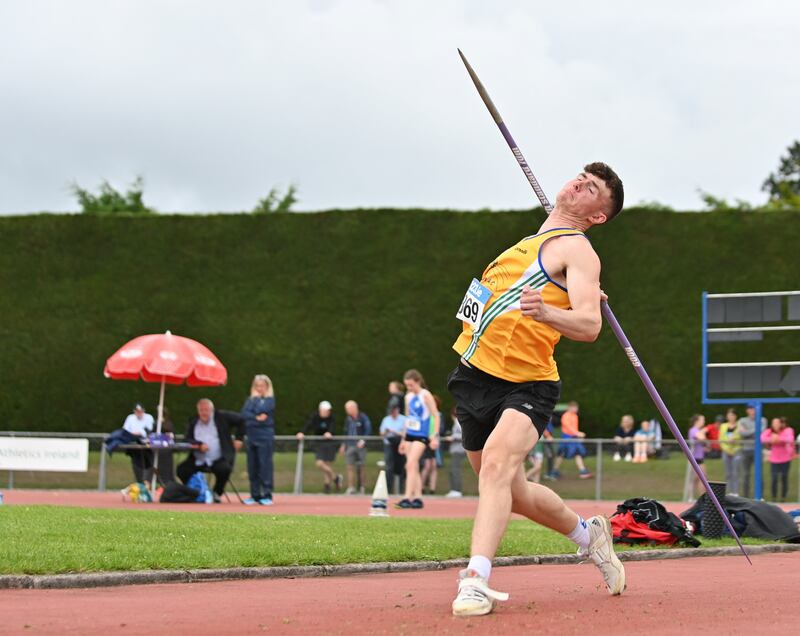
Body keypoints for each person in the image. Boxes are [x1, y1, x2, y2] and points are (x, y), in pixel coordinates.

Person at [447, 163, 626, 615]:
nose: (578, 184)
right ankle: (591, 536)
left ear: (598, 216)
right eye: (580, 177)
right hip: (474, 376)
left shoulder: (580, 252)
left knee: (495, 467)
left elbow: (589, 324)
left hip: (528, 383)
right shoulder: (528, 244)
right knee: (516, 491)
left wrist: (548, 313)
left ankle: (476, 579)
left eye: (592, 189)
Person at [177, 398, 245, 503]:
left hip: (218, 459)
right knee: (181, 469)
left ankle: (216, 493)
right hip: (199, 459)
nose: (204, 413)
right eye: (201, 410)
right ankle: (196, 491)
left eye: (206, 410)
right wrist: (199, 445)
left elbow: (241, 420)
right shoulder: (194, 421)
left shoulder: (222, 417)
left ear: (212, 410)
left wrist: (239, 439)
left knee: (225, 469)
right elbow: (187, 439)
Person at [395, 369, 440, 509]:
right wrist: (403, 439)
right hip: (410, 434)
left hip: (422, 434)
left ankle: (407, 497)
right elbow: (408, 418)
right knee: (411, 466)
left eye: (411, 385)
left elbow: (435, 415)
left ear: (418, 382)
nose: (409, 388)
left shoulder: (425, 395)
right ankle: (418, 498)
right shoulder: (407, 397)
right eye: (407, 386)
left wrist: (435, 435)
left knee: (410, 463)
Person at [241, 374, 276, 505]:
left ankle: (267, 494)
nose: (259, 388)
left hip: (265, 436)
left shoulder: (270, 400)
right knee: (252, 466)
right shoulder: (251, 399)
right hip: (251, 436)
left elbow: (264, 410)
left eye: (262, 386)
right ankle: (254, 495)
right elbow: (244, 414)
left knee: (265, 466)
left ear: (267, 387)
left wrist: (254, 413)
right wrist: (256, 417)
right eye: (257, 386)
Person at [297, 401, 342, 494]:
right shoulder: (315, 417)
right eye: (325, 411)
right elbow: (308, 425)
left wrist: (329, 432)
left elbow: (332, 427)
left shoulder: (332, 418)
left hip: (329, 443)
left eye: (328, 411)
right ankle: (336, 477)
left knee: (328, 464)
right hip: (319, 443)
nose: (327, 412)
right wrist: (302, 432)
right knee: (320, 463)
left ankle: (327, 485)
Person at [551, 401, 592, 479]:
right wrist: (577, 433)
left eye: (577, 407)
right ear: (570, 408)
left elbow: (574, 427)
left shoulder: (575, 416)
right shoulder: (565, 416)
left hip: (573, 438)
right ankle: (554, 471)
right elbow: (568, 427)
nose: (576, 409)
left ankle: (582, 471)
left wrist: (577, 434)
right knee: (561, 454)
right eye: (575, 407)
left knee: (577, 453)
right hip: (567, 437)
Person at [760, 416, 795, 502]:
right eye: (774, 423)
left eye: (777, 423)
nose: (775, 425)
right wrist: (772, 439)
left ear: (780, 423)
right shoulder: (769, 431)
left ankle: (783, 497)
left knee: (784, 477)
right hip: (774, 459)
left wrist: (778, 438)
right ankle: (774, 497)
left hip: (785, 459)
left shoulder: (787, 430)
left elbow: (790, 438)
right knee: (774, 478)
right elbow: (762, 438)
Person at [340, 400, 372, 494]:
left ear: (354, 408)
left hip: (360, 446)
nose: (347, 411)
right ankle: (351, 487)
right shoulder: (348, 419)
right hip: (350, 445)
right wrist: (343, 444)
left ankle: (362, 487)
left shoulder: (363, 417)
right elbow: (345, 432)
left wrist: (363, 441)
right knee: (350, 466)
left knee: (361, 466)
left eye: (348, 408)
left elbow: (368, 429)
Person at [737, 404, 767, 498]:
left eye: (753, 408)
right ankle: (745, 496)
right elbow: (742, 433)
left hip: (758, 450)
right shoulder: (742, 420)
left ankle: (760, 497)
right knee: (745, 474)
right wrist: (754, 431)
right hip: (746, 450)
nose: (752, 410)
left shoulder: (762, 420)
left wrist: (748, 431)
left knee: (759, 474)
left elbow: (761, 432)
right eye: (750, 408)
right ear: (747, 410)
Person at [122, 403, 155, 483]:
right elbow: (125, 430)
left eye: (140, 411)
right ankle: (140, 481)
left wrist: (141, 433)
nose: (139, 413)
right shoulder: (130, 418)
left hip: (146, 446)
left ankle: (147, 481)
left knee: (149, 463)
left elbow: (150, 430)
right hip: (134, 445)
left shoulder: (149, 417)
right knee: (136, 463)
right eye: (137, 411)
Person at [380, 404, 406, 495]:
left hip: (400, 445)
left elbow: (406, 433)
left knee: (402, 467)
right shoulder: (386, 419)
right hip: (389, 445)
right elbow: (382, 432)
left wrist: (395, 432)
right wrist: (386, 432)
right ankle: (388, 489)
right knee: (389, 467)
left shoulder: (404, 419)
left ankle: (401, 489)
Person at [718, 408, 741, 495]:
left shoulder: (739, 425)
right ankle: (729, 491)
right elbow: (721, 438)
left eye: (732, 415)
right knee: (728, 472)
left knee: (735, 472)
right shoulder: (723, 426)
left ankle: (736, 492)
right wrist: (726, 448)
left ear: (735, 416)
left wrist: (734, 439)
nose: (730, 417)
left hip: (736, 450)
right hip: (726, 450)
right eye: (729, 415)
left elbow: (740, 436)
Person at [445, 408, 466, 497]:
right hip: (456, 449)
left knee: (455, 469)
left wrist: (452, 437)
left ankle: (457, 490)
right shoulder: (457, 423)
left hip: (459, 449)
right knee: (453, 469)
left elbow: (463, 434)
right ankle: (454, 489)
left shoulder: (458, 423)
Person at [688, 414, 707, 500]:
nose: (704, 422)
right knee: (697, 478)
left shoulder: (698, 430)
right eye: (702, 420)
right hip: (694, 458)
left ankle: (701, 497)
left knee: (701, 477)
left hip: (700, 457)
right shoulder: (693, 430)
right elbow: (701, 437)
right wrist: (704, 431)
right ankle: (691, 497)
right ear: (697, 421)